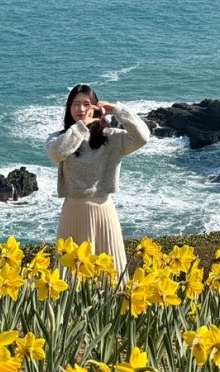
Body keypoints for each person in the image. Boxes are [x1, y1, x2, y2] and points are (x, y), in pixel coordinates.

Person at [46, 84, 150, 280]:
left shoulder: (111, 139)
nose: (81, 109)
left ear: (96, 108)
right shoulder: (60, 138)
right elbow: (57, 153)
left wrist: (118, 110)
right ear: (69, 108)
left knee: (110, 277)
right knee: (68, 279)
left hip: (103, 211)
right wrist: (80, 127)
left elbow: (142, 137)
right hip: (72, 212)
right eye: (76, 104)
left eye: (87, 104)